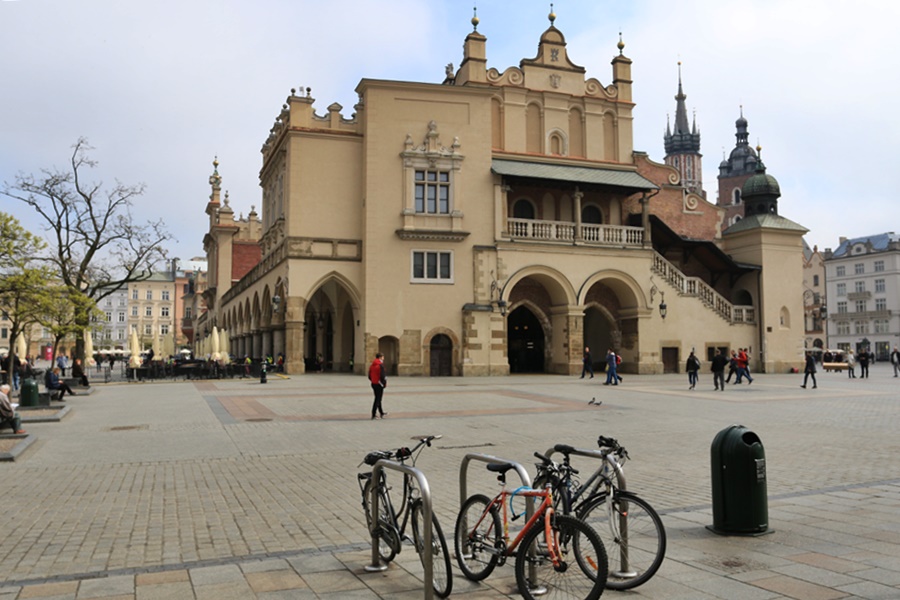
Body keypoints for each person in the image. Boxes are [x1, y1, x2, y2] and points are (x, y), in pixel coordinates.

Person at [368, 352, 388, 419]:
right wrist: (384, 383)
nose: (383, 358)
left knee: (378, 398)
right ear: (380, 357)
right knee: (378, 399)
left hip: (374, 383)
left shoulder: (372, 365)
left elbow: (369, 375)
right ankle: (373, 414)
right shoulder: (380, 365)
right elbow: (383, 376)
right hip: (379, 384)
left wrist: (373, 380)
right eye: (383, 357)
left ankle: (381, 412)